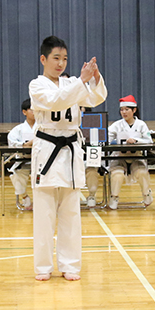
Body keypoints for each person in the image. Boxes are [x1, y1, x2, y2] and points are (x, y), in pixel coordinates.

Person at [29, 35, 107, 281]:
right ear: (43, 59)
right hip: (47, 150)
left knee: (71, 212)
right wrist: (81, 81)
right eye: (56, 58)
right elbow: (56, 102)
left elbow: (95, 98)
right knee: (44, 214)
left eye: (64, 58)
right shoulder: (37, 85)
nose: (61, 63)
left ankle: (70, 265)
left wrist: (94, 78)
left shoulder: (72, 83)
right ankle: (43, 267)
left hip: (71, 150)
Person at [106, 95, 153, 210]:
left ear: (134, 110)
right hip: (119, 157)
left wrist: (136, 141)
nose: (124, 112)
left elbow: (149, 141)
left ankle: (146, 194)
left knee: (142, 172)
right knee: (117, 175)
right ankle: (114, 197)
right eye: (122, 110)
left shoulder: (141, 125)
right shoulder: (117, 125)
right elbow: (106, 139)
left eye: (127, 109)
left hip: (136, 157)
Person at [7, 98, 35, 210]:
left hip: (42, 161)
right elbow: (12, 142)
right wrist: (25, 144)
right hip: (23, 160)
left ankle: (43, 200)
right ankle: (25, 197)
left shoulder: (43, 128)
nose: (35, 112)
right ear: (24, 112)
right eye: (32, 110)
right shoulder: (18, 129)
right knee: (16, 173)